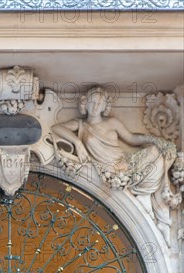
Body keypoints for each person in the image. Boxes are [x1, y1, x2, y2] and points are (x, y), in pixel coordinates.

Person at [52, 86, 177, 244]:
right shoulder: (80, 125)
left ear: (105, 106)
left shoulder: (112, 122)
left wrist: (153, 139)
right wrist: (77, 142)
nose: (96, 105)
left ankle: (161, 207)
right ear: (85, 104)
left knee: (157, 152)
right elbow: (56, 127)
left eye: (100, 102)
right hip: (107, 171)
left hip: (124, 164)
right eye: (92, 101)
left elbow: (131, 139)